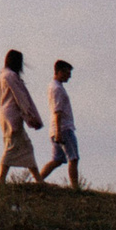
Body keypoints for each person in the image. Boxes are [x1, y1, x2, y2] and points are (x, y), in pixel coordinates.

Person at [0, 49, 45, 183]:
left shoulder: (2, 76)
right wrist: (30, 115)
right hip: (13, 114)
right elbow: (21, 97)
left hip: (4, 114)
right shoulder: (11, 76)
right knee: (13, 145)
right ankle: (1, 179)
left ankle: (38, 179)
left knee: (25, 145)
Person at [38, 59, 81, 188]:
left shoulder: (54, 87)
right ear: (60, 72)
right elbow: (58, 111)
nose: (70, 76)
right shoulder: (57, 89)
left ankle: (38, 180)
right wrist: (59, 132)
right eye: (67, 73)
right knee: (73, 158)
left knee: (57, 160)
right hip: (63, 128)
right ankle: (75, 187)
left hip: (56, 128)